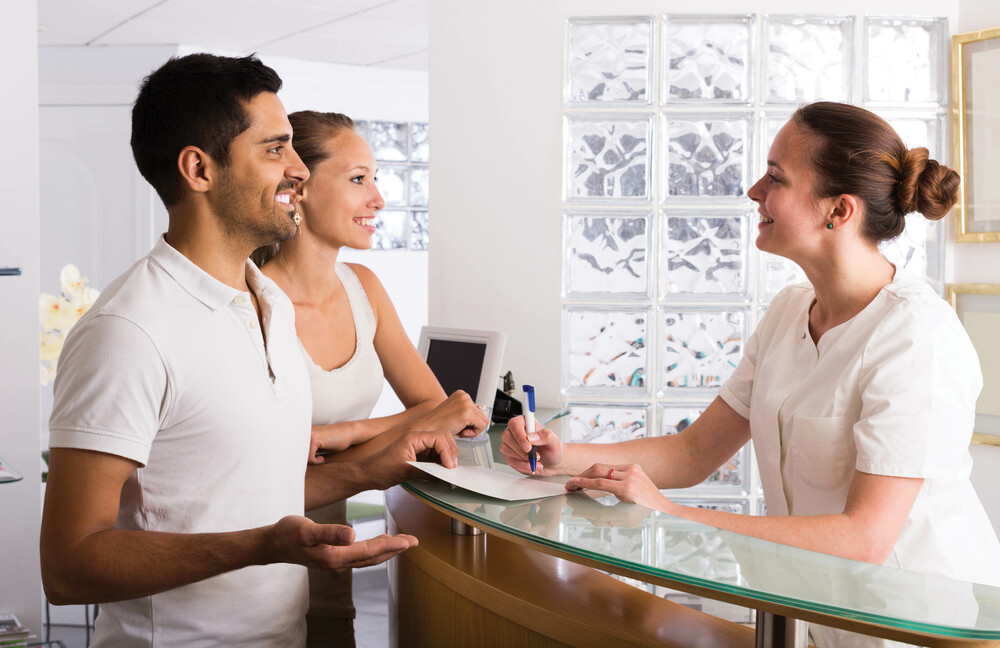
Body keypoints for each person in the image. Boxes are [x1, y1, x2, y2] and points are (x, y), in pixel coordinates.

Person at [502, 102, 1000, 647]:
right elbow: (695, 452)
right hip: (822, 616)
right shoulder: (790, 310)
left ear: (837, 211)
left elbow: (864, 538)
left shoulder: (916, 335)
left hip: (915, 624)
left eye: (776, 178)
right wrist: (560, 459)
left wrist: (670, 515)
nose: (753, 190)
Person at [39, 53, 482, 648]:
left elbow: (253, 495)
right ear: (200, 169)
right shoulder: (127, 331)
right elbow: (69, 566)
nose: (298, 170)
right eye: (275, 150)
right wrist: (260, 546)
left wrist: (369, 471)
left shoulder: (267, 303)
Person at [251, 111, 469, 646]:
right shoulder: (252, 302)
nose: (378, 198)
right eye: (358, 179)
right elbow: (256, 476)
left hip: (331, 564)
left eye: (374, 178)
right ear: (298, 186)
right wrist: (384, 442)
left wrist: (340, 435)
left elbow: (443, 410)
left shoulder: (363, 288)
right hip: (254, 570)